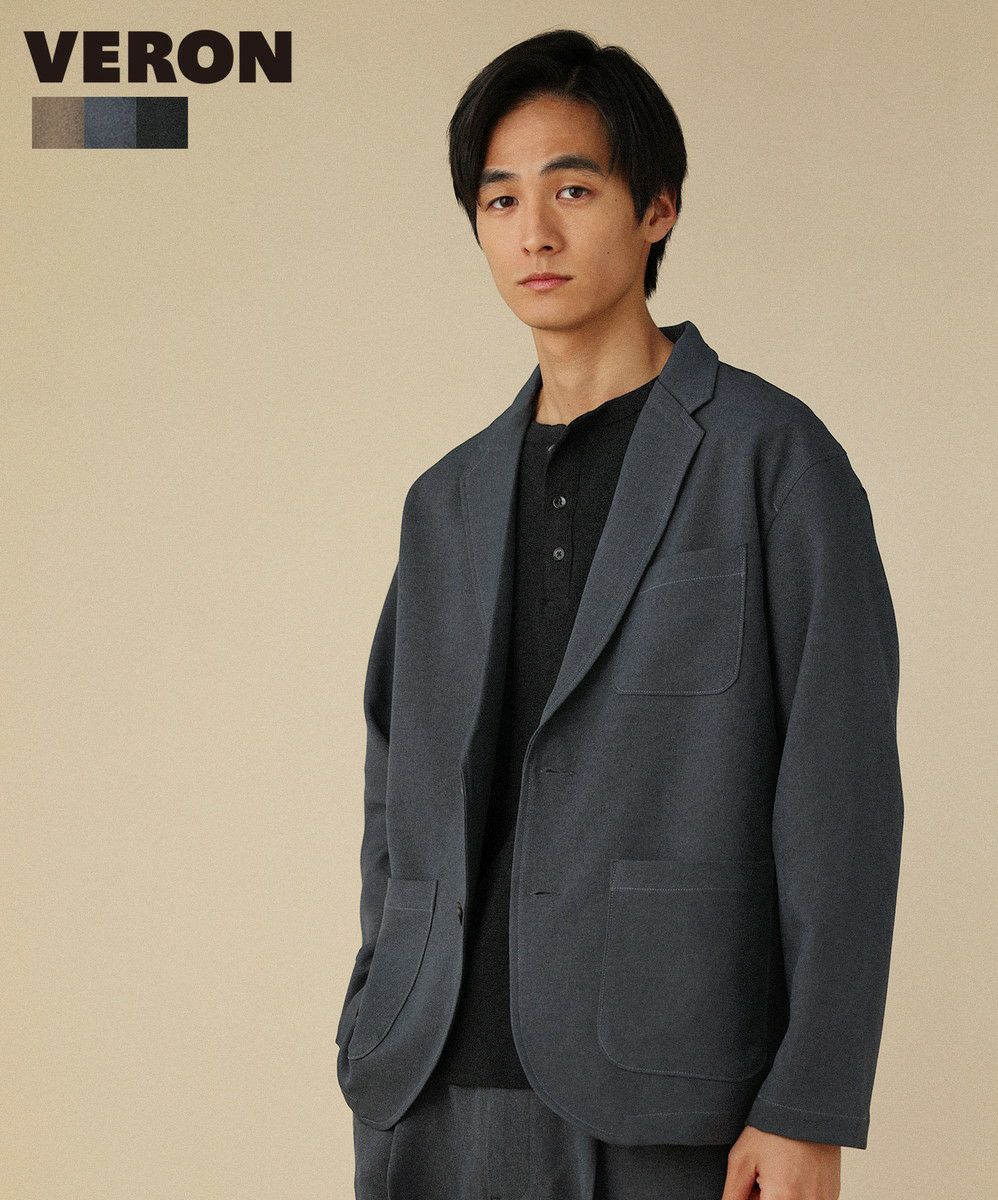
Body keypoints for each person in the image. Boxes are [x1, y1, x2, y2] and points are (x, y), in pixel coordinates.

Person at [335, 28, 904, 1200]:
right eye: (500, 200)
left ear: (657, 209)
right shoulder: (443, 502)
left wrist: (808, 1099)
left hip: (668, 1082)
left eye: (572, 190)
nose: (533, 233)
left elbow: (841, 795)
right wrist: (376, 1001)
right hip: (430, 1083)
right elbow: (398, 785)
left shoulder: (771, 459)